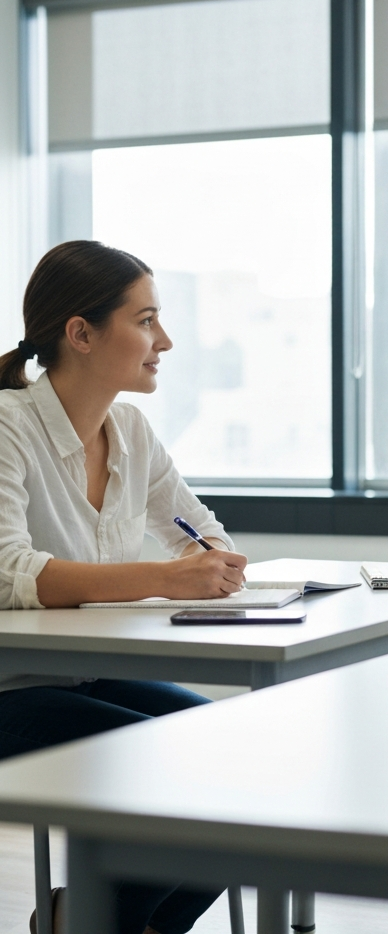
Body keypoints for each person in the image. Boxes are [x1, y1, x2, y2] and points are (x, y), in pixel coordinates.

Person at [0, 240, 248, 934]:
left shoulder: (131, 430)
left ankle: (80, 919)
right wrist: (168, 578)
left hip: (88, 678)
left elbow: (203, 531)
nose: (163, 339)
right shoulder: (6, 426)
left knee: (242, 758)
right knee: (175, 775)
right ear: (79, 333)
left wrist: (210, 560)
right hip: (12, 688)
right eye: (145, 321)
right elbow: (8, 572)